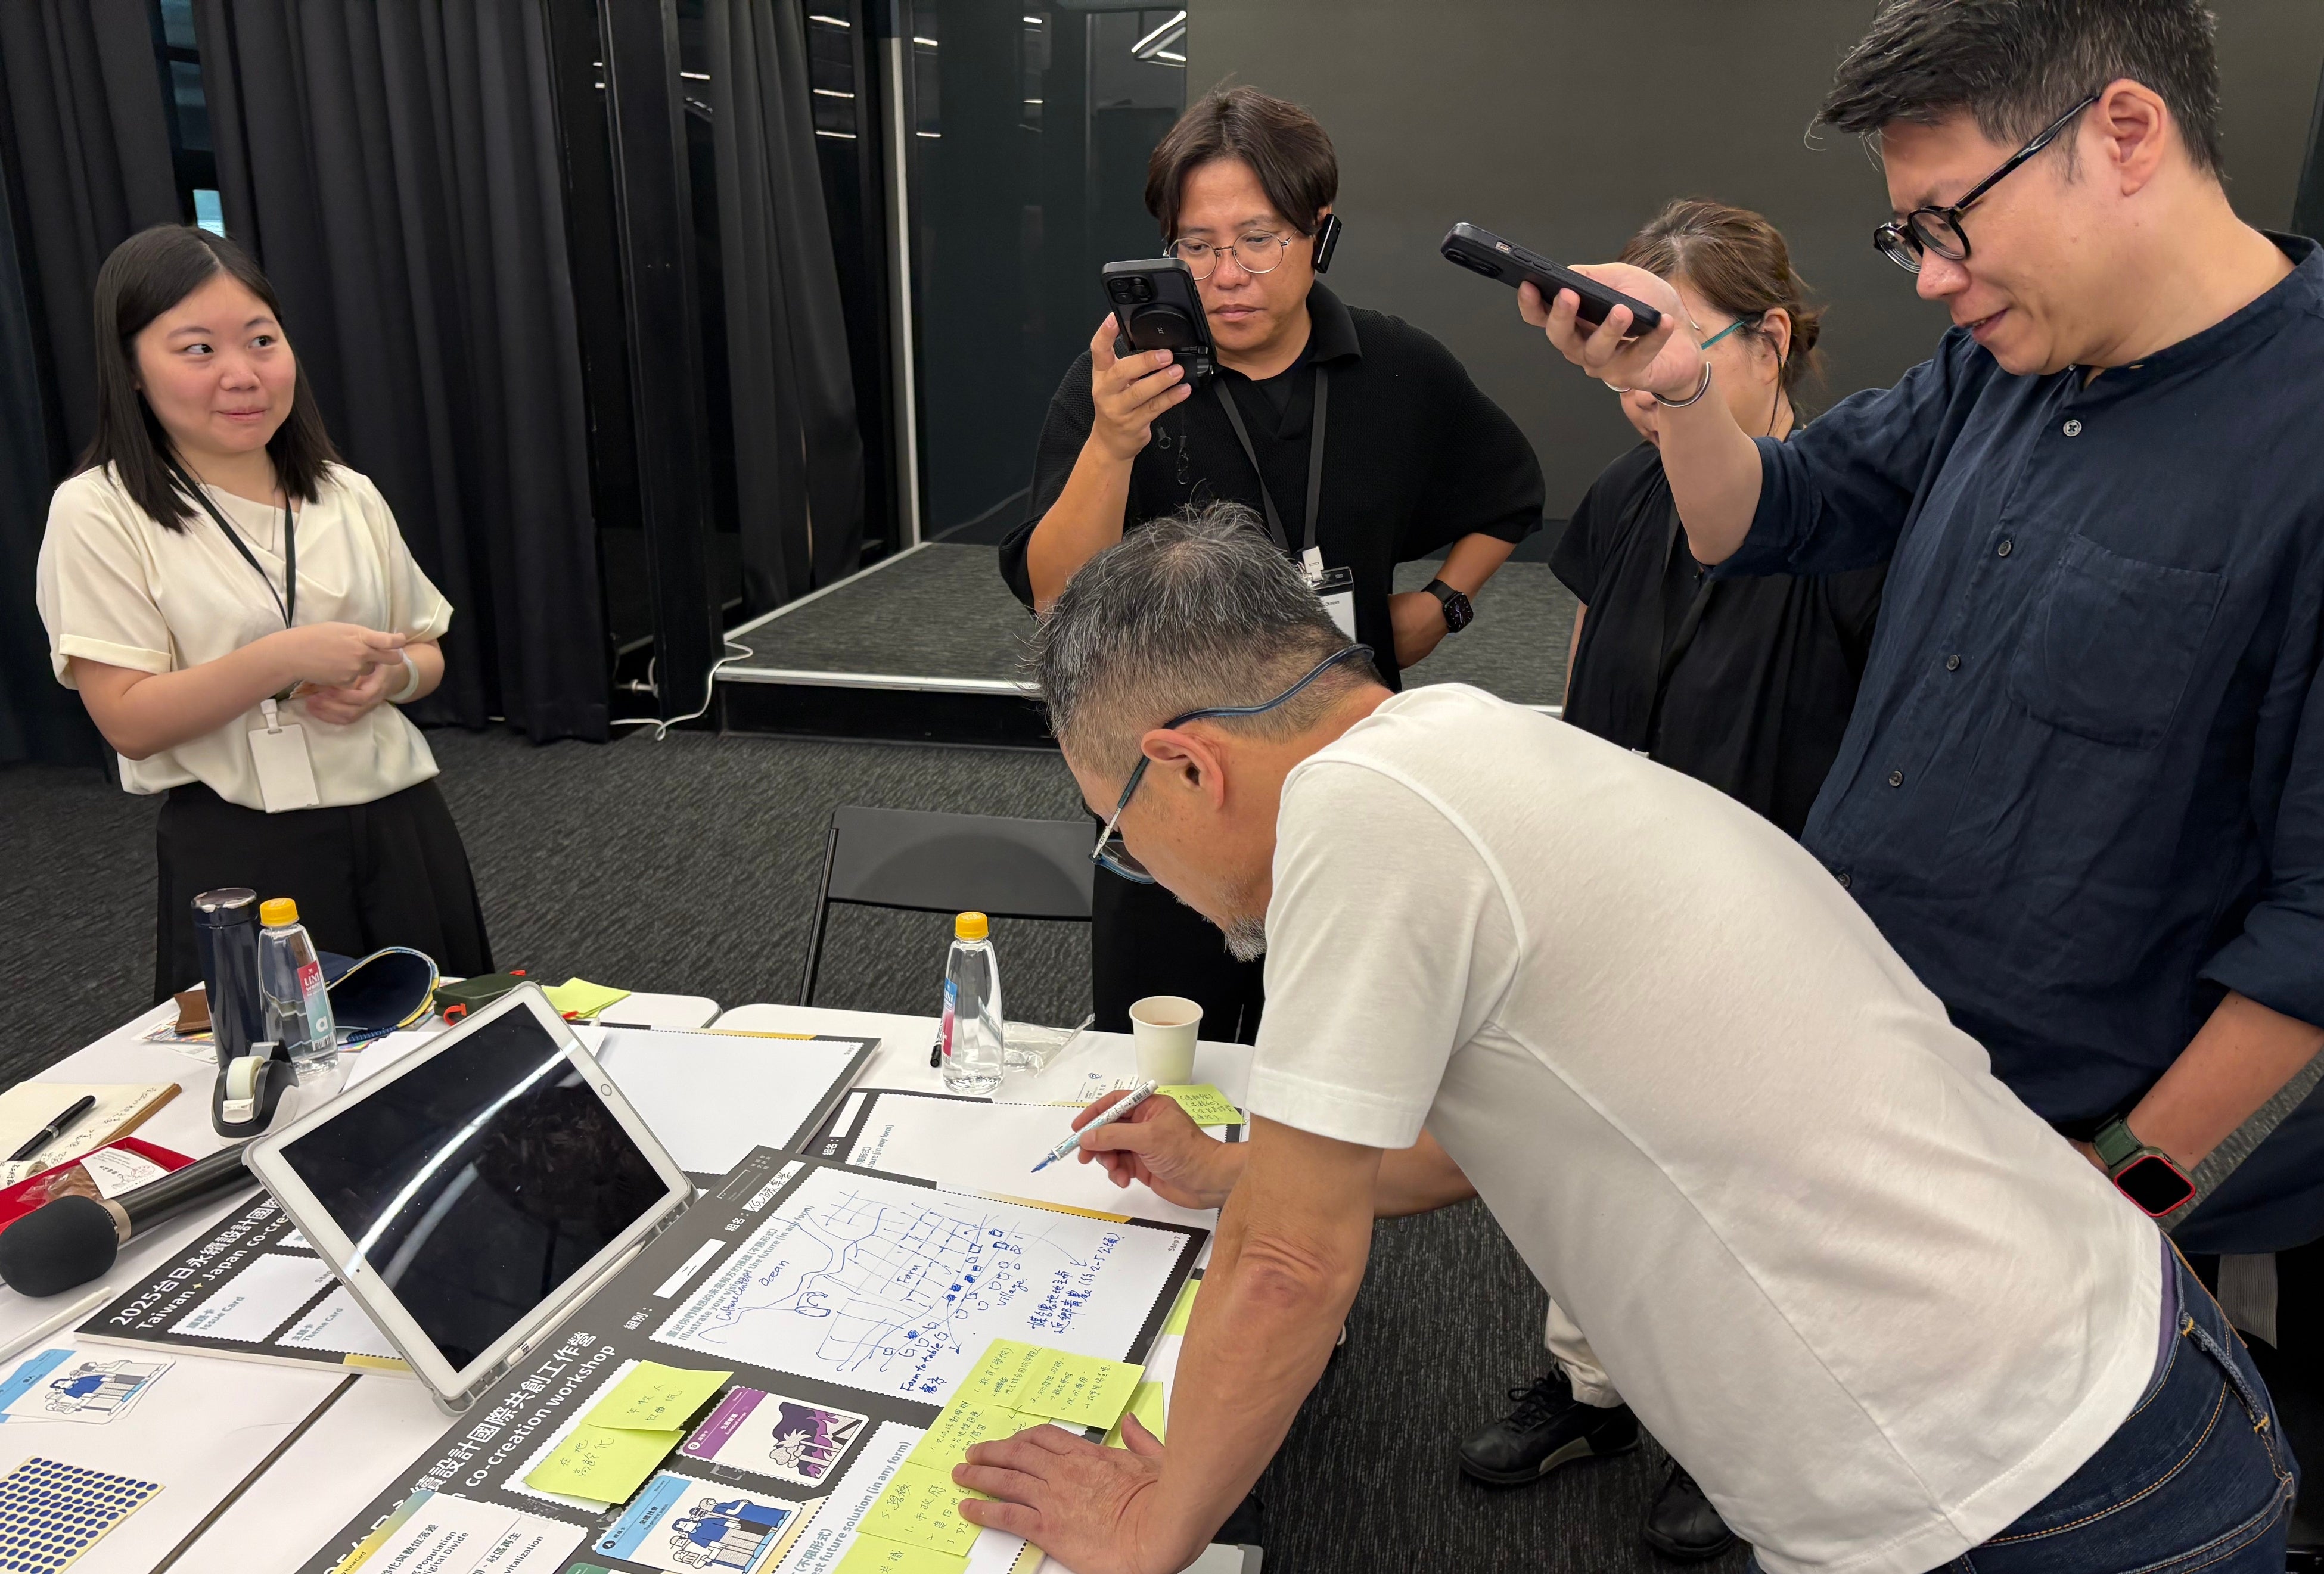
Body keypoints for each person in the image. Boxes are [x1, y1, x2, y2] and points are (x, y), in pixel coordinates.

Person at [953, 510, 2298, 1573]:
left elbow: (1291, 1265)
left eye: (1121, 831)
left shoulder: (1358, 817)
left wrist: (1153, 1523)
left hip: (2022, 1483)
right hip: (2111, 1368)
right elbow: (1480, 1144)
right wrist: (1235, 1168)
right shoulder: (1470, 748)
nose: (1144, 870)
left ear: (1190, 764)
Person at [1523, 0, 2324, 1274]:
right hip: (1841, 1050)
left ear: (2125, 134)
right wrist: (1678, 385)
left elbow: (2311, 937)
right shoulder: (2000, 368)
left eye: (1950, 221)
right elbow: (1764, 515)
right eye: (1911, 236)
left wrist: (2109, 1199)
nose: (1935, 279)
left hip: (2037, 1168)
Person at [1459, 200, 1884, 1559]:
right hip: (1620, 885)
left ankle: (1741, 1432)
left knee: (1750, 1183)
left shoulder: (1851, 512)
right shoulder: (1630, 491)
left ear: (1772, 341)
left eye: (1671, 344)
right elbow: (1589, 664)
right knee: (1592, 1148)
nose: (1643, 384)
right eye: (1625, 352)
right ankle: (1593, 1389)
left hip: (1776, 905)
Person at [999, 85, 1544, 1045]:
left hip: (1353, 787)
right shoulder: (1123, 385)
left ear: (1319, 233)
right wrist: (1113, 444)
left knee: (1338, 1055)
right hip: (1170, 800)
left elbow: (1510, 494)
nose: (1227, 275)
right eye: (1196, 247)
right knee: (1169, 1064)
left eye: (1259, 239)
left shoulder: (1396, 367)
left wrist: (1442, 606)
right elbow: (1054, 595)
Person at [35, 225, 491, 997]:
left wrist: (388, 680)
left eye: (261, 340)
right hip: (240, 846)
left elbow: (426, 651)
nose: (242, 375)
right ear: (131, 369)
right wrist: (282, 659)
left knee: (441, 1037)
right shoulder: (99, 511)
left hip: (401, 818)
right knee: (276, 1056)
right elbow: (128, 720)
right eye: (198, 349)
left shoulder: (346, 493)